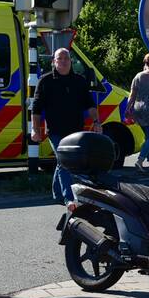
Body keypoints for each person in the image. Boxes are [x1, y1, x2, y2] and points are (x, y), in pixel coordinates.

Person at [30, 48, 99, 203]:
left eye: (66, 58)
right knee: (65, 161)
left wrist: (96, 122)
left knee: (62, 161)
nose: (63, 61)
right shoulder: (45, 81)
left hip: (76, 130)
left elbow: (90, 104)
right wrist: (35, 129)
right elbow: (36, 108)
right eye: (59, 58)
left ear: (70, 61)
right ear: (53, 61)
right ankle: (69, 199)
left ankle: (57, 194)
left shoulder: (79, 80)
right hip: (55, 130)